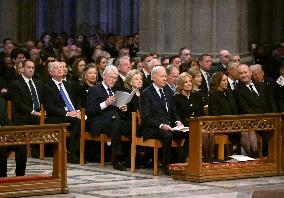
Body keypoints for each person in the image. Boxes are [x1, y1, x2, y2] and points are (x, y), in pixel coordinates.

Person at [140, 66, 185, 175]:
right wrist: (161, 125)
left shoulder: (168, 91)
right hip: (152, 127)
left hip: (168, 126)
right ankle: (166, 165)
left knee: (187, 133)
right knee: (167, 135)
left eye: (166, 76)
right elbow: (146, 117)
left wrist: (178, 121)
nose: (165, 78)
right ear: (154, 78)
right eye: (162, 76)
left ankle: (181, 163)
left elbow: (174, 111)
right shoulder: (146, 93)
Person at [86, 65, 132, 171]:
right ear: (104, 76)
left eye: (115, 78)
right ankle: (116, 159)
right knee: (116, 125)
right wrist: (106, 103)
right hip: (100, 122)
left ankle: (131, 158)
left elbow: (117, 109)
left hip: (116, 120)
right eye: (111, 77)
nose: (113, 80)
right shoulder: (94, 90)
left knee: (133, 127)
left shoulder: (116, 90)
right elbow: (89, 110)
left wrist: (123, 108)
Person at [42, 61, 81, 163]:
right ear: (50, 72)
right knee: (77, 122)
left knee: (89, 120)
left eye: (61, 67)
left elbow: (77, 101)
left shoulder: (68, 85)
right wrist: (67, 113)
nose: (60, 69)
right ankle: (73, 153)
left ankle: (89, 152)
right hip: (55, 117)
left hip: (72, 114)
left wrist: (77, 110)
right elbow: (50, 107)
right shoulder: (47, 86)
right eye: (56, 68)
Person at [234, 64, 277, 157]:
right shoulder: (238, 90)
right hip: (254, 121)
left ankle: (276, 157)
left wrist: (274, 116)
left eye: (245, 72)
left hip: (270, 118)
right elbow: (245, 108)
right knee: (267, 131)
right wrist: (263, 119)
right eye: (241, 73)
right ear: (238, 76)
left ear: (250, 73)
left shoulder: (261, 86)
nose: (243, 75)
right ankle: (262, 157)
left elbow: (271, 103)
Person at [208, 72, 239, 160]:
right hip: (221, 125)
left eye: (227, 80)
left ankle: (253, 158)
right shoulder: (213, 95)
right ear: (218, 82)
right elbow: (215, 114)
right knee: (244, 134)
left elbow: (235, 110)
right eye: (224, 80)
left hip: (233, 123)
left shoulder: (229, 93)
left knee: (248, 132)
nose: (226, 82)